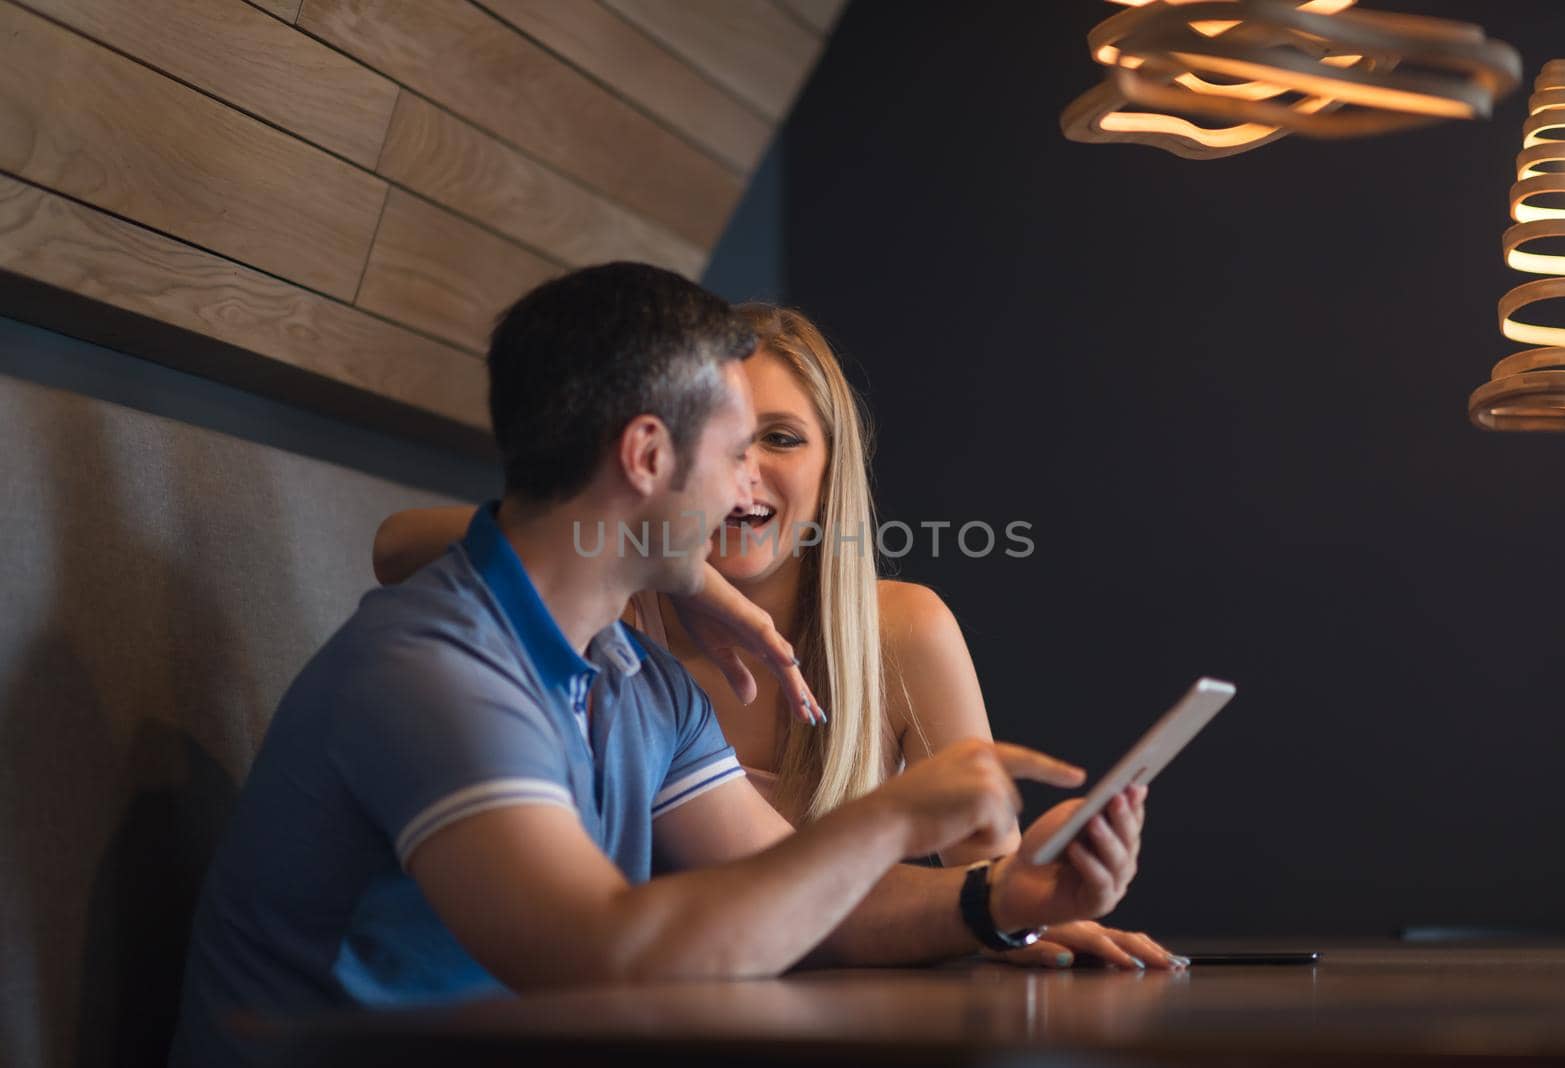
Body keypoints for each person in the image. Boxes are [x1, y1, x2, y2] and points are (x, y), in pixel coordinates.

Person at [170, 263, 1150, 1066]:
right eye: (732, 450)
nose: (742, 489)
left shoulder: (641, 680)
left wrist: (1003, 896)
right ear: (646, 456)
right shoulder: (437, 671)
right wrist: (894, 814)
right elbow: (604, 959)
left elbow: (806, 906)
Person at [372, 303, 1179, 972]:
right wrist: (679, 570)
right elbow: (397, 546)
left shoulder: (898, 628)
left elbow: (876, 889)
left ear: (833, 475)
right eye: (725, 443)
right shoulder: (615, 643)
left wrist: (1011, 902)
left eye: (781, 438)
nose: (745, 473)